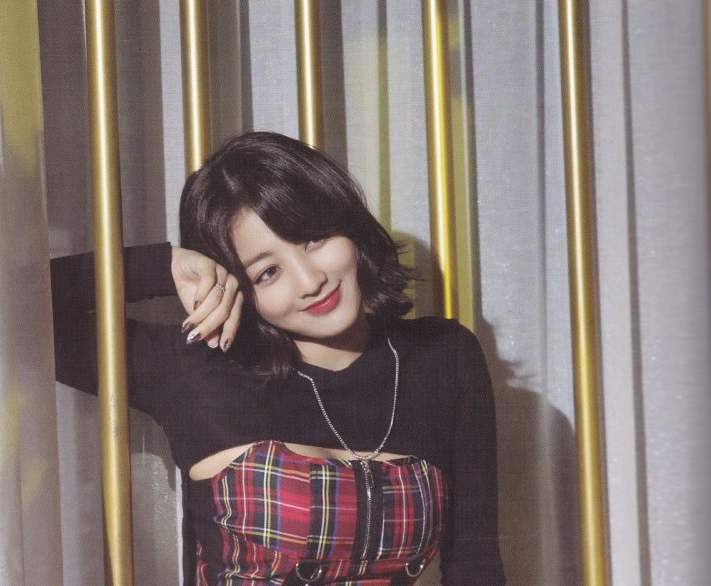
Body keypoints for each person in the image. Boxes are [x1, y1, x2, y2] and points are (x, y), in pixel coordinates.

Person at [51, 131, 505, 585]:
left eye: (314, 238)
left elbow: (476, 563)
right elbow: (18, 309)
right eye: (267, 272)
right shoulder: (197, 368)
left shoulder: (443, 356)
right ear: (236, 284)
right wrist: (166, 267)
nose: (311, 281)